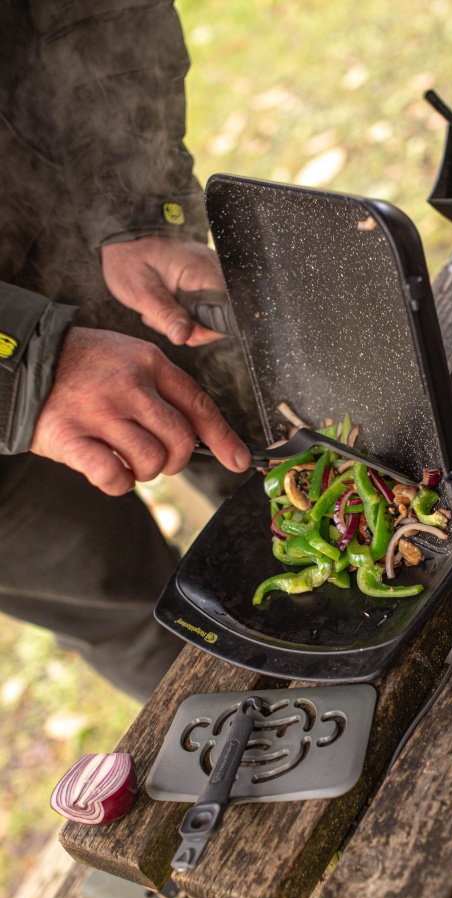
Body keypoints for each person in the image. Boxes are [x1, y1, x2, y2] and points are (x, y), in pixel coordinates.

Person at [0, 0, 254, 699]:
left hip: (76, 216)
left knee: (270, 452)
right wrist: (24, 367)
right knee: (134, 614)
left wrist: (139, 204)